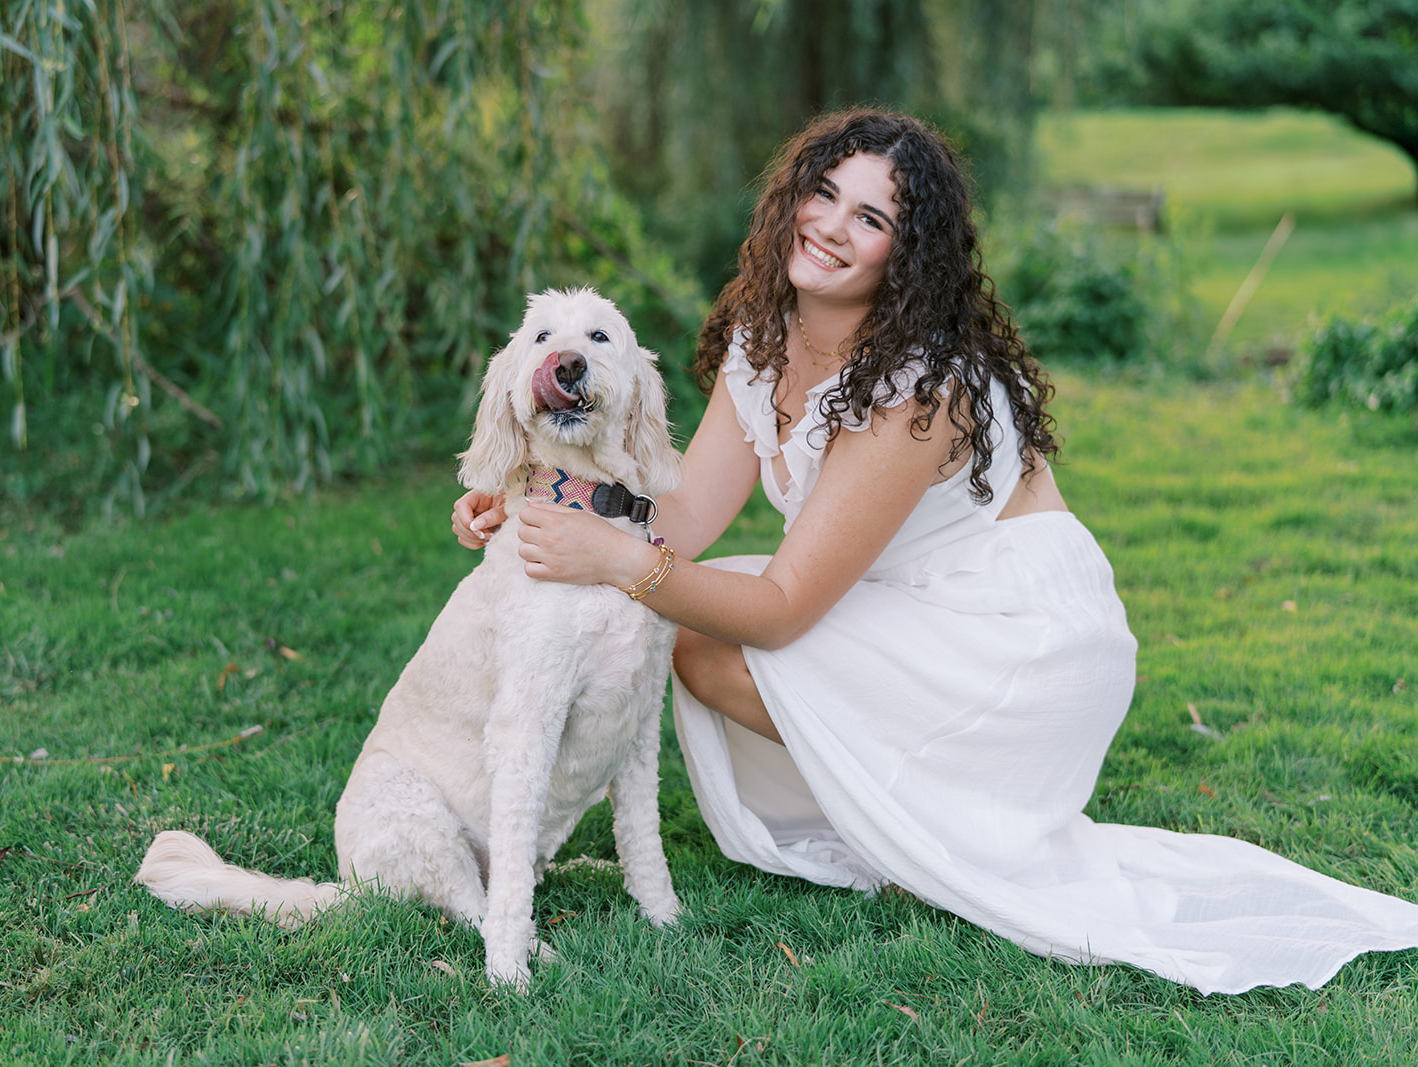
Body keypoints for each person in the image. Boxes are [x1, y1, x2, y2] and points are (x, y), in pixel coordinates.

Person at [450, 108, 1418, 994]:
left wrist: (615, 560)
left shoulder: (918, 386)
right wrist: (536, 497)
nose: (829, 224)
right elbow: (681, 517)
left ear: (901, 254)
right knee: (700, 629)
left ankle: (923, 823)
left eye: (868, 218)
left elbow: (779, 604)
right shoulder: (765, 337)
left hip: (1019, 638)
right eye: (822, 193)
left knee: (709, 613)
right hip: (903, 602)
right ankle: (890, 816)